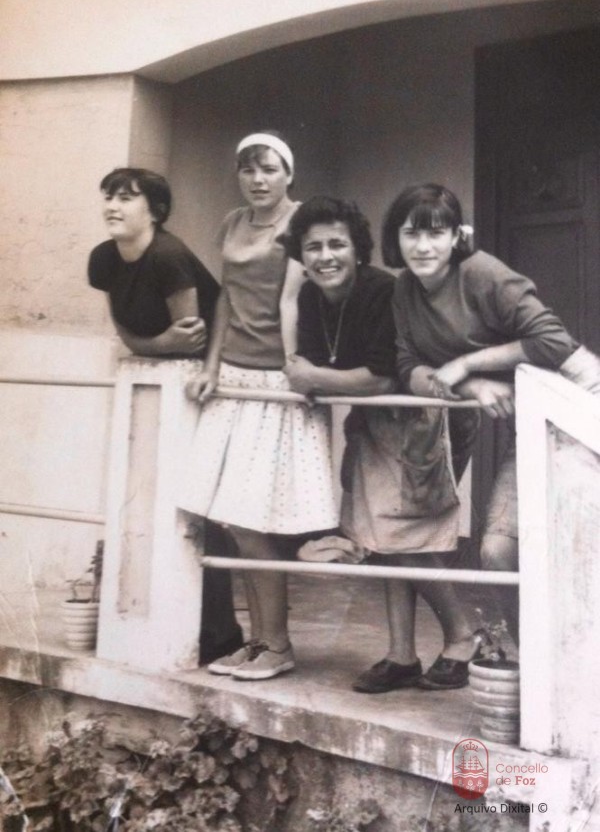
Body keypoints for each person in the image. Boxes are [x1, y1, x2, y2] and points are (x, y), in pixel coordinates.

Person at [283, 195, 482, 693]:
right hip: (373, 423)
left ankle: (463, 637)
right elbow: (317, 368)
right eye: (313, 247)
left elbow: (380, 378)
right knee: (381, 538)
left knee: (403, 538)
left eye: (336, 245)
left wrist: (316, 377)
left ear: (358, 249)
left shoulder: (382, 292)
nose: (325, 256)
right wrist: (322, 377)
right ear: (301, 255)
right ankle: (401, 655)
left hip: (423, 422)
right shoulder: (309, 297)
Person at [382, 182, 584, 654]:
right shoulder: (405, 289)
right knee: (498, 552)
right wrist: (468, 385)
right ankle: (536, 666)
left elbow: (555, 342)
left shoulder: (480, 272)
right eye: (412, 233)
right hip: (526, 422)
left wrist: (468, 363)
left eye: (436, 233)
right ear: (396, 238)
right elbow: (408, 366)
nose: (423, 246)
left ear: (457, 236)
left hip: (575, 410)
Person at [182, 134, 338, 680]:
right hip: (234, 376)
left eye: (269, 169)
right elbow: (226, 297)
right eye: (248, 169)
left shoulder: (300, 221)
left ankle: (278, 644)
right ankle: (258, 641)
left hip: (275, 381)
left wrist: (293, 366)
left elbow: (291, 301)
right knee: (231, 519)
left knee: (252, 520)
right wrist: (210, 365)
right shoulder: (232, 223)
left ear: (288, 173)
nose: (258, 179)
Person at [87, 166, 242, 664]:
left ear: (154, 210)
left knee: (195, 508)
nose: (113, 206)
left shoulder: (168, 256)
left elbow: (191, 338)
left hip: (204, 377)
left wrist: (156, 348)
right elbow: (127, 333)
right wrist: (154, 345)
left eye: (126, 198)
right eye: (109, 196)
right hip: (156, 378)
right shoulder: (104, 258)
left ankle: (221, 631)